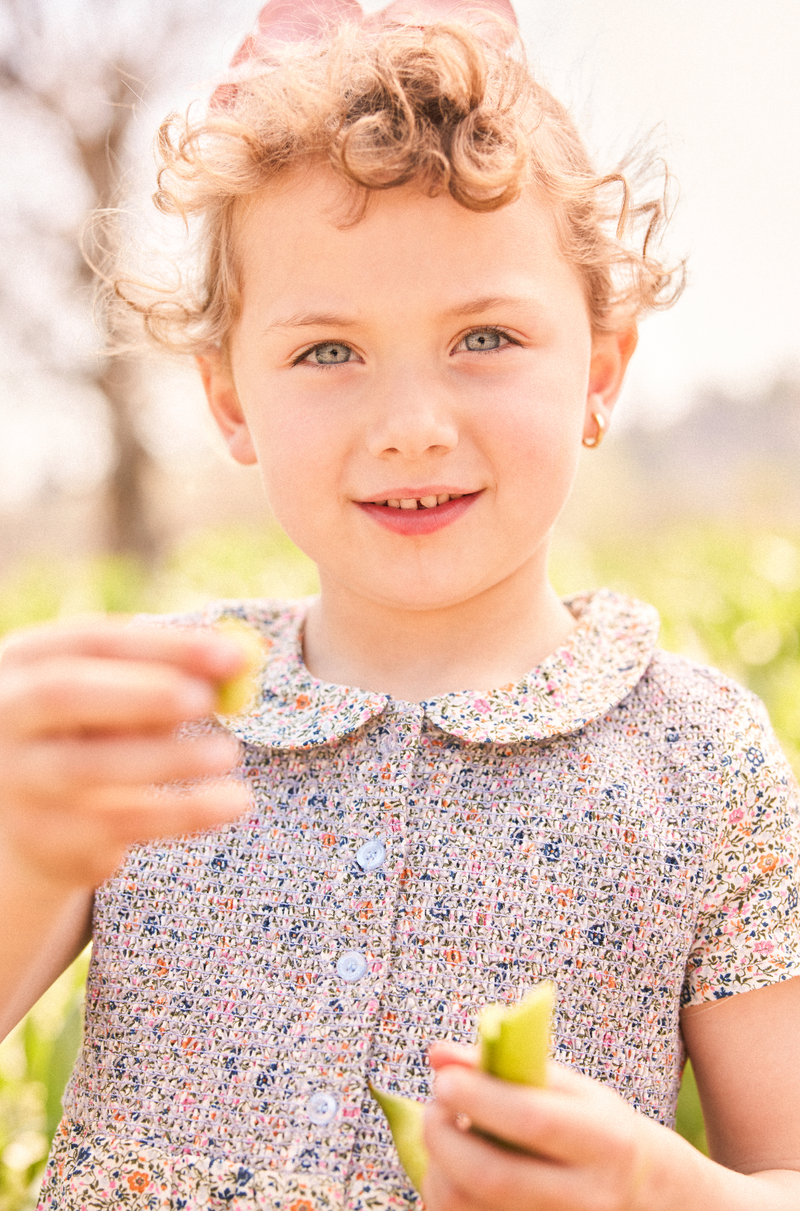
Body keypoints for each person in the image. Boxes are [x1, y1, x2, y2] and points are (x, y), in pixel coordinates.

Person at [0, 0, 798, 1207]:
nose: (411, 423)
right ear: (228, 399)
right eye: (328, 351)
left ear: (598, 368)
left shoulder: (696, 762)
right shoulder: (151, 713)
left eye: (483, 334)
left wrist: (659, 1187)